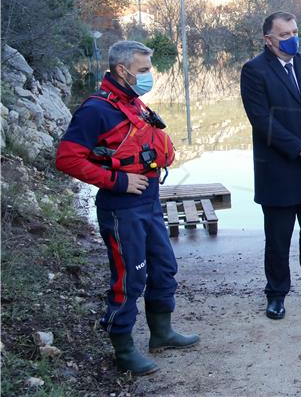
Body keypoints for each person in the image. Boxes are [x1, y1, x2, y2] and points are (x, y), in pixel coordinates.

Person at [55, 40, 199, 376]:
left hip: (147, 202)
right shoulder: (95, 110)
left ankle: (161, 334)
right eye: (144, 70)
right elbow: (66, 159)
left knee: (164, 267)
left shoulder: (133, 104)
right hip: (121, 207)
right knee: (129, 278)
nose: (149, 76)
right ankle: (123, 349)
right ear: (122, 71)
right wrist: (118, 181)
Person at [240, 11, 301, 320]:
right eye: (285, 34)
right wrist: (299, 149)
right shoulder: (254, 71)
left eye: (295, 31)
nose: (292, 38)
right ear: (268, 40)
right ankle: (276, 294)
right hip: (279, 170)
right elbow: (262, 121)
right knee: (278, 238)